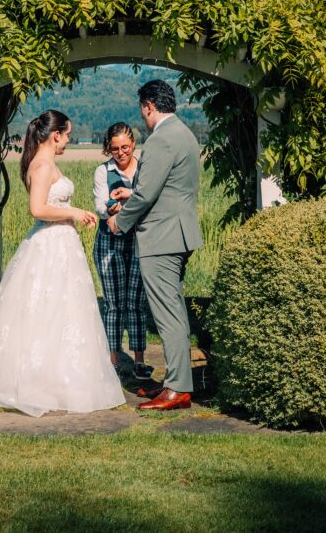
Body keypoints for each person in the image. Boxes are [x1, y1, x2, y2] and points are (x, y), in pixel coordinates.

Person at [0, 110, 125, 417]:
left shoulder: (45, 162)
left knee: (61, 311)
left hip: (61, 244)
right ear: (55, 135)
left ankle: (59, 376)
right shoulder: (42, 164)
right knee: (49, 308)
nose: (68, 140)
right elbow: (37, 208)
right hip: (51, 243)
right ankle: (43, 380)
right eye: (67, 134)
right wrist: (74, 213)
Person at [108, 81, 203, 411]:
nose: (143, 116)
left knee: (167, 314)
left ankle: (177, 389)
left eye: (142, 110)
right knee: (173, 310)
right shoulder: (185, 134)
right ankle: (176, 381)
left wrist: (120, 221)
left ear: (148, 106)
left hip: (162, 237)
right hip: (178, 232)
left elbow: (147, 193)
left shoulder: (162, 138)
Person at [92, 122, 153, 380]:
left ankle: (139, 360)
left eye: (125, 147)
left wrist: (122, 201)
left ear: (133, 145)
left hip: (139, 240)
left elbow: (148, 201)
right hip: (110, 242)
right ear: (109, 149)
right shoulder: (102, 172)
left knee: (136, 303)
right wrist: (129, 203)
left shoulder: (144, 168)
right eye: (115, 148)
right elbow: (101, 207)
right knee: (114, 304)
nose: (120, 153)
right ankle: (113, 360)